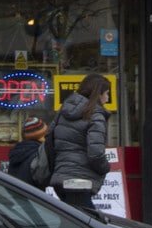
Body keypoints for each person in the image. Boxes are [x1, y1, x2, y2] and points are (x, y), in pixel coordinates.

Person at [44, 73, 111, 214]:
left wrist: (56, 167)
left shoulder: (63, 111)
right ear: (98, 94)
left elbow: (49, 141)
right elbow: (96, 154)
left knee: (73, 223)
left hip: (61, 177)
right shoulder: (96, 116)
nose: (108, 98)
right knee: (90, 224)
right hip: (80, 180)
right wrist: (105, 167)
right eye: (106, 93)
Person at [6, 113, 53, 189]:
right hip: (34, 198)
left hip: (17, 198)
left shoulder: (17, 152)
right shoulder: (40, 154)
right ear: (42, 136)